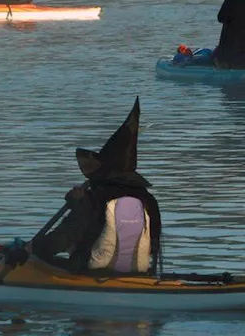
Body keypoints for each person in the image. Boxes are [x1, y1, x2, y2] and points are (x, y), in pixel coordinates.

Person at [30, 98, 163, 274]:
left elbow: (63, 238)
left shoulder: (93, 199)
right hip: (138, 272)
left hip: (91, 271)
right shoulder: (148, 200)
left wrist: (33, 249)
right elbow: (153, 246)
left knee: (39, 257)